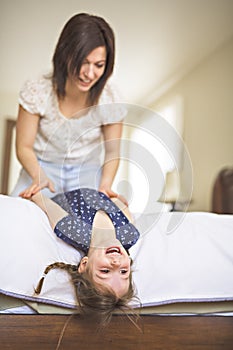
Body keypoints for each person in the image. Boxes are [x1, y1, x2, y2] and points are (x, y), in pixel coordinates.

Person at [11, 13, 127, 201]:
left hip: (86, 171)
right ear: (65, 55)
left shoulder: (111, 98)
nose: (89, 74)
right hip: (41, 167)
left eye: (99, 65)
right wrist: (39, 176)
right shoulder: (37, 91)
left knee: (94, 215)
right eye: (83, 62)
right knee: (20, 210)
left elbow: (112, 151)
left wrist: (105, 185)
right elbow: (23, 146)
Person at [30, 187, 140, 325]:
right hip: (98, 186)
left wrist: (34, 193)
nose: (116, 263)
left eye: (105, 271)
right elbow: (120, 205)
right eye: (123, 271)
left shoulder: (73, 230)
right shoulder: (130, 234)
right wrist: (118, 199)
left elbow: (43, 201)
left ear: (84, 264)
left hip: (57, 188)